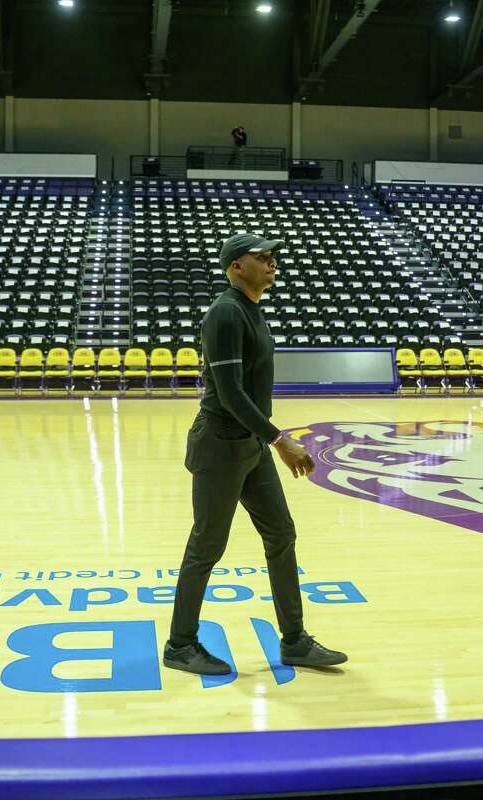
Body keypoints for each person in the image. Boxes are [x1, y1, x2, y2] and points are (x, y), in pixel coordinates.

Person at [163, 233, 347, 676]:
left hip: (250, 445)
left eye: (272, 257)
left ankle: (295, 641)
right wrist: (279, 439)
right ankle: (180, 645)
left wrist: (268, 441)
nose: (271, 263)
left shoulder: (252, 311)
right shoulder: (226, 313)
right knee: (207, 545)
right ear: (234, 267)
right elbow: (228, 393)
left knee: (281, 534)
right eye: (260, 257)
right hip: (220, 445)